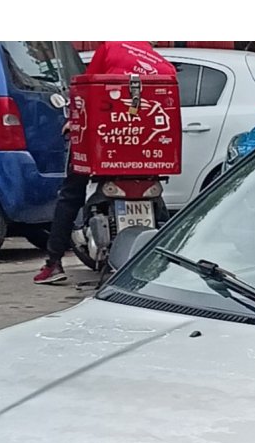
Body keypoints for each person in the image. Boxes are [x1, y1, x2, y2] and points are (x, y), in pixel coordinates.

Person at [34, 41, 177, 284]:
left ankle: (54, 264)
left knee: (70, 196)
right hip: (145, 149)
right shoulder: (162, 65)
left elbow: (87, 90)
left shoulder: (109, 48)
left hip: (107, 146)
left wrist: (74, 123)